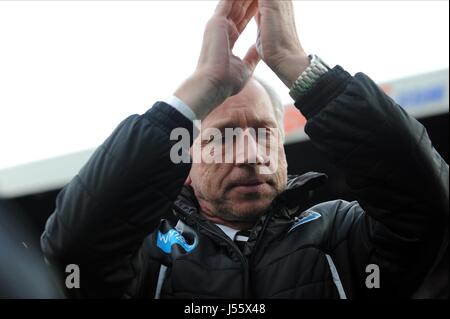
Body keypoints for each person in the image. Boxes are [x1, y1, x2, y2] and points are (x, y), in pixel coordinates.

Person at [41, 0, 448, 298]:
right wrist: (201, 86)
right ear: (184, 161)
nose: (251, 152)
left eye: (264, 132)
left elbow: (428, 206)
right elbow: (74, 248)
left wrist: (297, 65)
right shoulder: (150, 259)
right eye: (221, 136)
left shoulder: (342, 234)